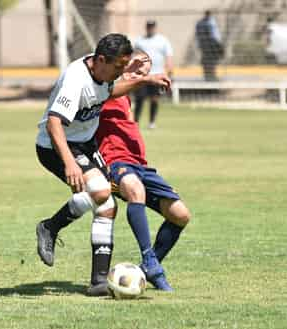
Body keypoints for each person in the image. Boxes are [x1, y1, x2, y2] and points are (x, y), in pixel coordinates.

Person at [35, 33, 171, 296]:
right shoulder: (76, 80)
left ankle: (98, 280)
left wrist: (143, 79)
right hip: (55, 145)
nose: (122, 72)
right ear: (100, 60)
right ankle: (50, 227)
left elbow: (110, 92)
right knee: (100, 192)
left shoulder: (102, 74)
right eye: (118, 67)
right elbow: (54, 124)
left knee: (107, 205)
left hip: (84, 143)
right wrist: (70, 164)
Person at [96, 51, 191, 291]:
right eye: (138, 71)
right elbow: (109, 86)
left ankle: (150, 265)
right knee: (135, 190)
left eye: (145, 74)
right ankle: (150, 259)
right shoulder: (104, 90)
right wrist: (137, 75)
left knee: (180, 214)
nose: (142, 77)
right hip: (116, 164)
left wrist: (139, 75)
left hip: (140, 166)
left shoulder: (126, 99)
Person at [134, 20, 174, 129]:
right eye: (148, 26)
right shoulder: (139, 41)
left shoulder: (162, 40)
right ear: (146, 27)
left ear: (155, 27)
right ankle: (135, 122)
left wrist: (169, 73)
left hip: (157, 75)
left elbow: (169, 57)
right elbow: (133, 55)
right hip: (143, 75)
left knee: (154, 99)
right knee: (140, 98)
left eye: (152, 27)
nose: (150, 28)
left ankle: (152, 122)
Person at [195, 10, 224, 81]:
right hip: (211, 45)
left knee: (207, 61)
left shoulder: (199, 23)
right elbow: (214, 35)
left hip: (204, 45)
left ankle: (208, 76)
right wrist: (219, 45)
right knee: (211, 61)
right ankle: (211, 76)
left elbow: (198, 35)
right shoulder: (210, 22)